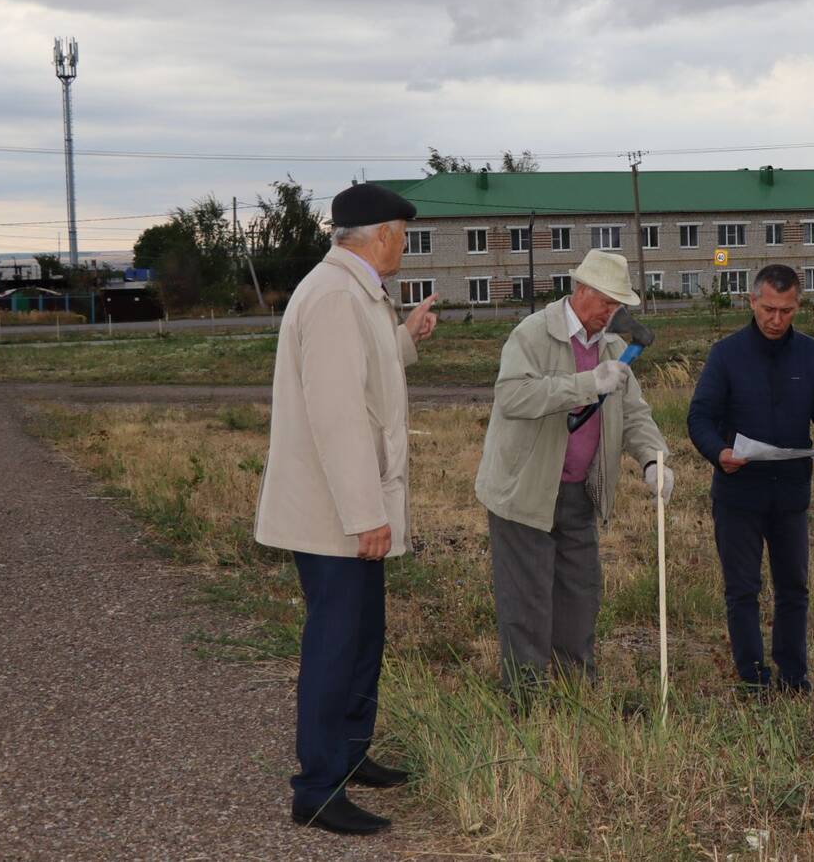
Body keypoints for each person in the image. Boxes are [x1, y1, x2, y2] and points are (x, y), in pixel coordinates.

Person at [254, 182, 439, 836]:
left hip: (346, 513)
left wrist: (406, 336)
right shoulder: (335, 297)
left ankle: (351, 755)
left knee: (363, 639)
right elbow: (338, 418)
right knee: (337, 645)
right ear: (383, 235)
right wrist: (366, 513)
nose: (405, 247)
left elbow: (368, 374)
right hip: (335, 516)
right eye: (404, 235)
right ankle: (318, 787)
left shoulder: (352, 292)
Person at [475, 250, 674, 693]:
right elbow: (512, 397)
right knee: (526, 603)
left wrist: (652, 460)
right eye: (606, 301)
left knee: (579, 597)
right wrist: (588, 384)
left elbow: (635, 412)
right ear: (580, 290)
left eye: (618, 305)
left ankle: (574, 692)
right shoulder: (531, 334)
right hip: (523, 492)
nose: (611, 313)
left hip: (578, 493)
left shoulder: (613, 346)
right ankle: (525, 698)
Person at [687, 263, 814, 696]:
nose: (777, 320)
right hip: (738, 494)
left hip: (791, 493)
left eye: (787, 311)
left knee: (794, 587)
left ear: (798, 306)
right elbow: (700, 417)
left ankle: (794, 677)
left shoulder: (812, 355)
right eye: (769, 310)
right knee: (743, 589)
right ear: (752, 302)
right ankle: (752, 677)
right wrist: (717, 452)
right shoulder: (726, 354)